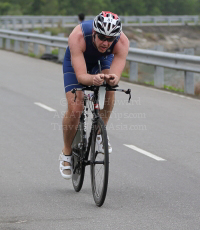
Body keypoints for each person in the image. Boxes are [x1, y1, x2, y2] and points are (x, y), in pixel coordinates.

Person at [59, 11, 129, 179]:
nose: (106, 43)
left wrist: (111, 79)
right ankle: (66, 152)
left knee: (110, 87)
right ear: (94, 33)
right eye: (102, 37)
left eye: (110, 39)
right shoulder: (78, 36)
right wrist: (92, 79)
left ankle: (99, 131)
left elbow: (115, 75)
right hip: (77, 59)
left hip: (103, 60)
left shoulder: (122, 42)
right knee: (76, 107)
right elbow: (82, 77)